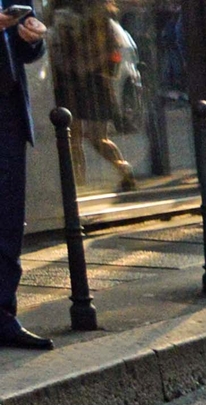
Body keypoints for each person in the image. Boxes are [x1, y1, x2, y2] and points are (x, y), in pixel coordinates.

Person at [47, 0, 133, 192]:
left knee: (91, 137)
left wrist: (88, 65)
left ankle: (122, 169)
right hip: (75, 81)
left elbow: (112, 50)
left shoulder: (100, 15)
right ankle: (77, 184)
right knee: (74, 136)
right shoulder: (62, 12)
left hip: (91, 82)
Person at [1, 4, 48, 350]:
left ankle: (3, 316)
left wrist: (31, 37)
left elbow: (27, 49)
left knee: (8, 223)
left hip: (8, 113)